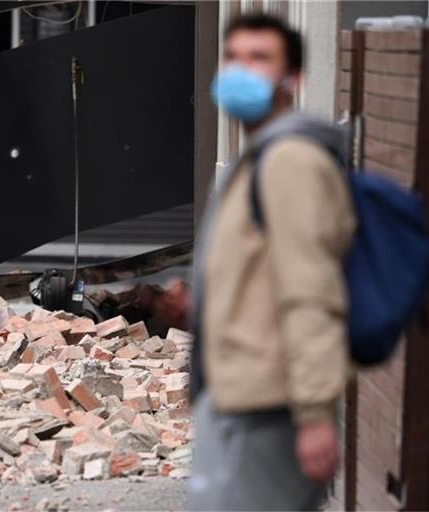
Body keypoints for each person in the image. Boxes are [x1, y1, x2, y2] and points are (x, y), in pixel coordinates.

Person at [173, 13, 356, 511]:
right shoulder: (258, 157)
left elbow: (311, 290)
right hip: (237, 402)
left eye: (260, 59)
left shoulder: (292, 162)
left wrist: (316, 414)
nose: (241, 70)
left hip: (270, 410)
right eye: (233, 57)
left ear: (291, 79)